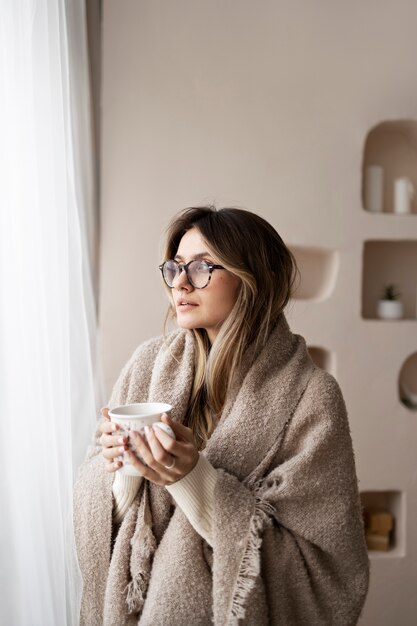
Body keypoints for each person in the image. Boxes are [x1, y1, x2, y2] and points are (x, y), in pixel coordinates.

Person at [73, 206, 369, 626]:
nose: (180, 283)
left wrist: (192, 478)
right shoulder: (146, 365)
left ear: (254, 278)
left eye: (200, 268)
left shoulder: (312, 397)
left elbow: (324, 565)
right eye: (174, 267)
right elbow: (105, 522)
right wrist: (123, 468)